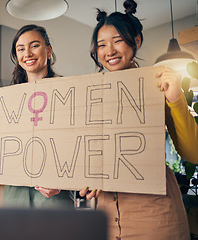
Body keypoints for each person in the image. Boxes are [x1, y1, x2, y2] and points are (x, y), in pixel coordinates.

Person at [79, 0, 198, 239]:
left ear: (137, 41)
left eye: (118, 41)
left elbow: (193, 153)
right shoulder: (87, 95)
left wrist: (175, 99)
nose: (109, 51)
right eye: (101, 45)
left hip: (155, 215)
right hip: (105, 216)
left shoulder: (158, 86)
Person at [0, 24, 74, 208]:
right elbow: (14, 149)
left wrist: (62, 182)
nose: (28, 53)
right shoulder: (10, 98)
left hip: (53, 197)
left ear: (48, 50)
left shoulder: (68, 90)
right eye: (21, 49)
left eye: (34, 46)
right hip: (15, 196)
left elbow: (77, 144)